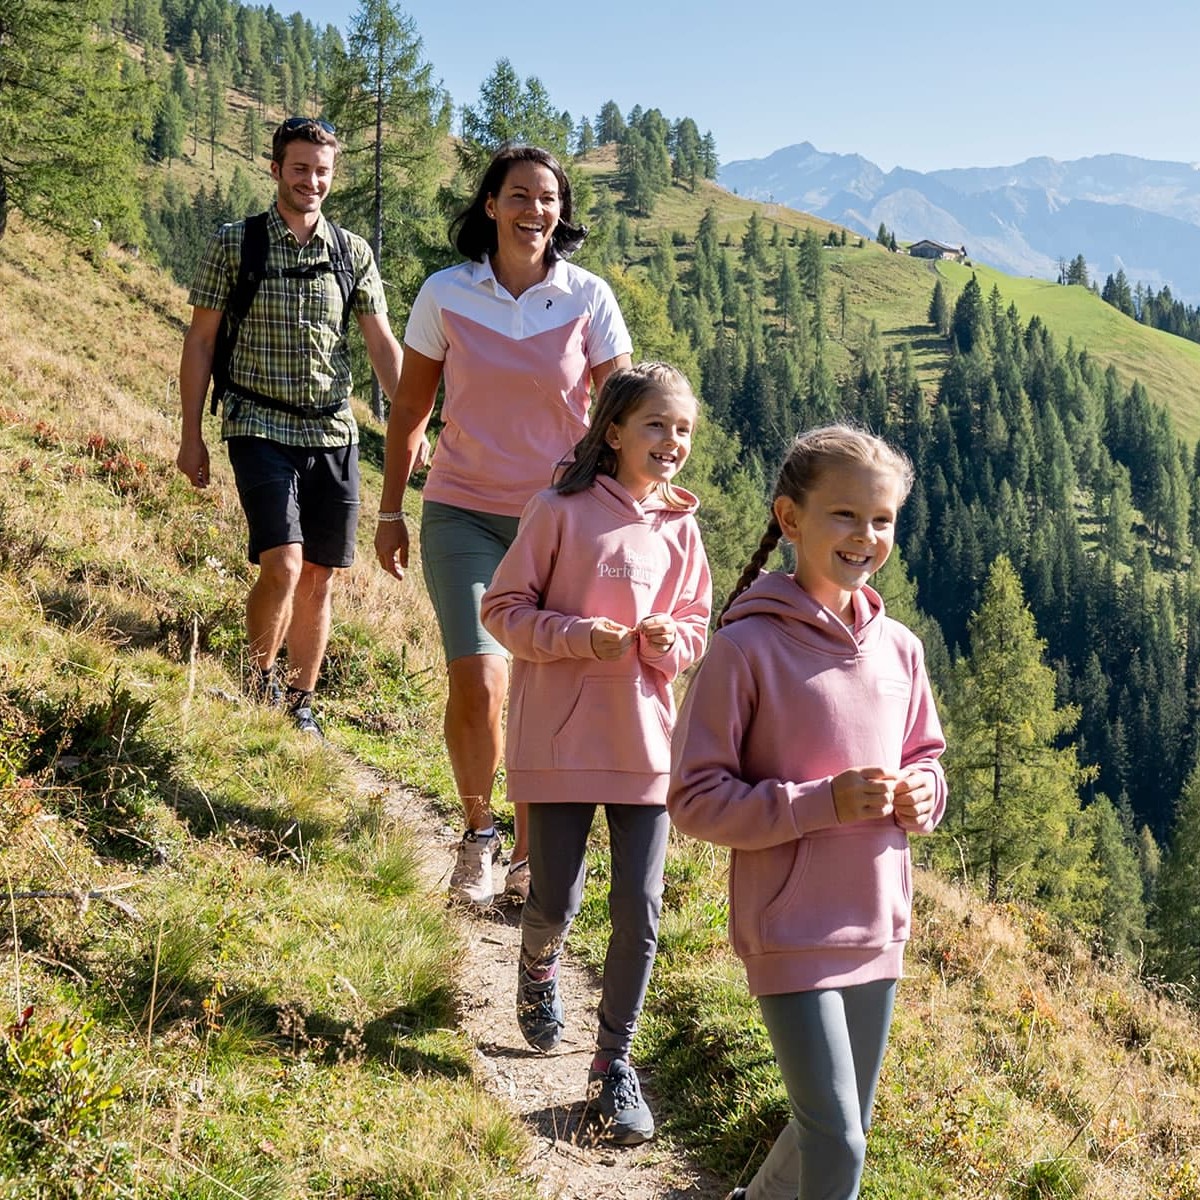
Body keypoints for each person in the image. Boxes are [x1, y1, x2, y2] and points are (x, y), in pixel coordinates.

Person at [666, 425, 947, 1200]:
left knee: (832, 1123)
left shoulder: (901, 650)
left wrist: (926, 793)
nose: (866, 535)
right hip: (789, 930)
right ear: (790, 519)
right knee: (839, 1141)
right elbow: (693, 798)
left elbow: (926, 757)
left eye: (882, 519)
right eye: (845, 515)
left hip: (877, 924)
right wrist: (821, 803)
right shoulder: (745, 648)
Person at [374, 145, 633, 907]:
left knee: (541, 692)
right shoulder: (445, 293)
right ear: (490, 205)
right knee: (479, 679)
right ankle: (478, 833)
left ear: (561, 213)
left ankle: (528, 854)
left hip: (560, 525)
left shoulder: (588, 296)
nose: (534, 210)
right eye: (519, 195)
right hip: (462, 511)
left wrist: (633, 519)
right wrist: (390, 510)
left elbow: (626, 417)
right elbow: (411, 409)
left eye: (548, 198)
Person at [480, 362, 711, 1145]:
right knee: (556, 897)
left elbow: (697, 628)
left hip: (647, 745)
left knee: (639, 910)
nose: (672, 440)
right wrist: (580, 636)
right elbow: (503, 610)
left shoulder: (683, 530)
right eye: (657, 425)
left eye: (683, 428)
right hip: (559, 741)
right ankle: (538, 963)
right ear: (613, 431)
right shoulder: (557, 511)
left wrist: (670, 641)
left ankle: (613, 1063)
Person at [177, 116, 406, 737]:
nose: (312, 181)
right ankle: (257, 683)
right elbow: (200, 342)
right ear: (276, 168)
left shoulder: (352, 252)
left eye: (322, 171)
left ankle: (301, 701)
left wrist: (410, 421)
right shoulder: (237, 243)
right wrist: (191, 435)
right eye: (300, 168)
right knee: (282, 562)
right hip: (256, 422)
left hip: (333, 432)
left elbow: (381, 345)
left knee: (320, 575)